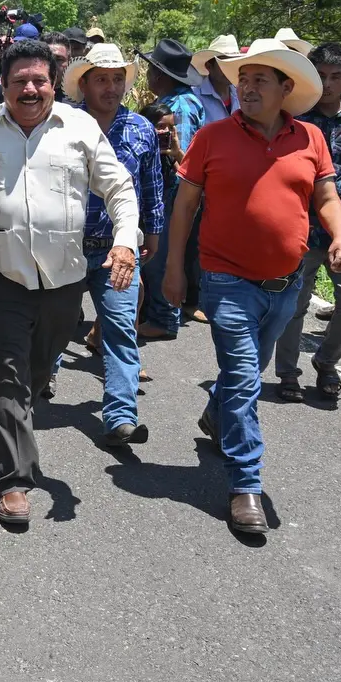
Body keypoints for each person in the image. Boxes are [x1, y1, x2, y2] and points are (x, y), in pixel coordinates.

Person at [163, 38, 341, 535]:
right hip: (225, 279)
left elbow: (328, 197)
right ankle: (246, 485)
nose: (246, 87)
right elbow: (184, 207)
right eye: (243, 79)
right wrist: (175, 269)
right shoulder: (213, 137)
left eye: (259, 80)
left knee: (241, 378)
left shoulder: (310, 137)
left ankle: (215, 413)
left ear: (286, 88)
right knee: (245, 377)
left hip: (286, 286)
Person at [0, 40, 139, 528]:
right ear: (3, 86)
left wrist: (125, 240)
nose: (30, 89)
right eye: (19, 80)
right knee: (8, 375)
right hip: (5, 278)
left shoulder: (78, 127)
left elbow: (119, 187)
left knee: (37, 373)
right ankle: (14, 480)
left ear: (54, 84)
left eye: (39, 80)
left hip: (65, 281)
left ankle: (20, 417)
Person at [63, 44, 163, 444]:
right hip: (66, 247)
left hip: (118, 251)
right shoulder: (64, 125)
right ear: (83, 84)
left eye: (117, 78)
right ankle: (40, 380)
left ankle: (120, 415)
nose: (111, 87)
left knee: (121, 329)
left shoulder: (140, 129)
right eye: (101, 79)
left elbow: (153, 186)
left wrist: (151, 233)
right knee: (55, 328)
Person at [273, 42, 341, 403]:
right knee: (294, 305)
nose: (329, 84)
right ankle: (287, 372)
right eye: (320, 76)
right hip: (301, 229)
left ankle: (327, 360)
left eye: (336, 77)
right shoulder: (295, 120)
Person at [137, 39, 206, 341]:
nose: (149, 75)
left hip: (172, 192)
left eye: (152, 70)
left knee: (160, 257)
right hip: (178, 193)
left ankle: (164, 318)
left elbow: (182, 155)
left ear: (161, 75)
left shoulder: (176, 107)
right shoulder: (192, 100)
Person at [191, 34, 241, 124]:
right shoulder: (195, 97)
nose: (230, 69)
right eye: (224, 64)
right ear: (209, 66)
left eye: (233, 63)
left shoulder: (241, 94)